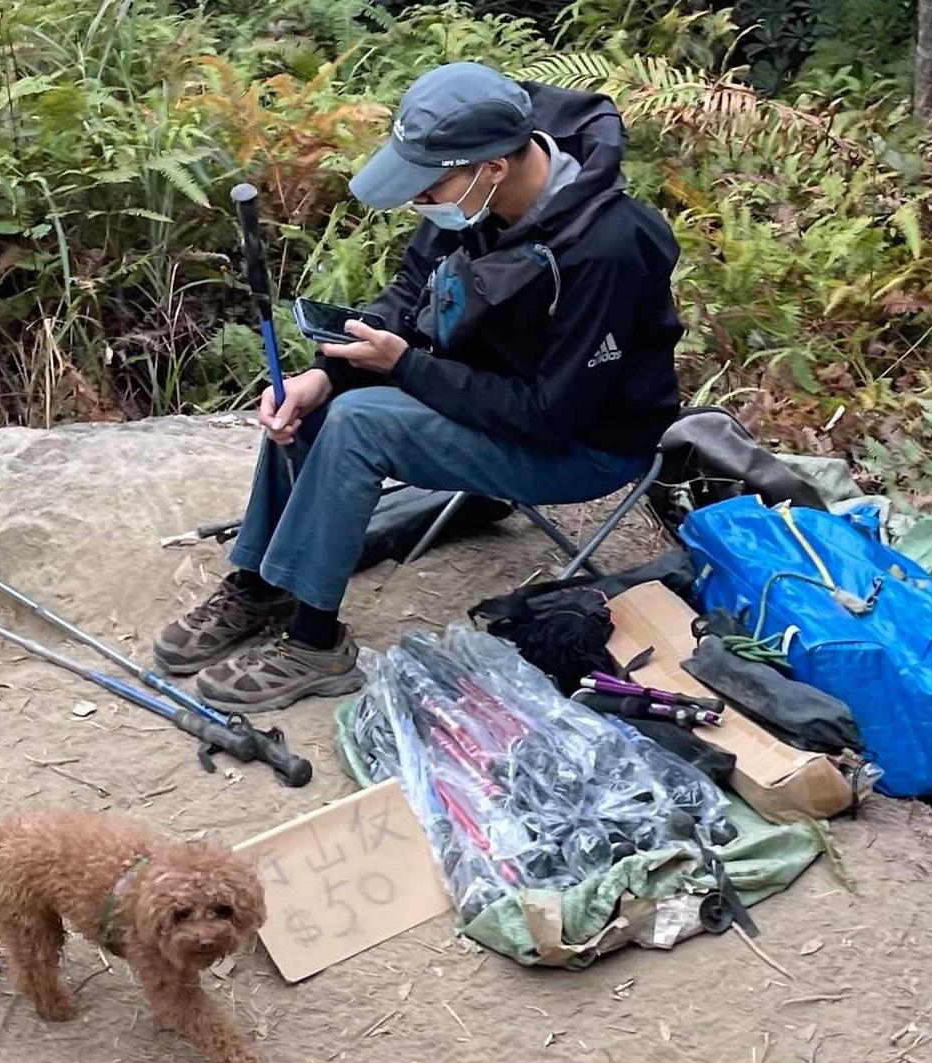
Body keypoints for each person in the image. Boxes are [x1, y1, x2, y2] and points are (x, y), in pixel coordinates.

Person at [155, 61, 683, 712]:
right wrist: (326, 374)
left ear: (493, 167)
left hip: (584, 444)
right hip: (492, 398)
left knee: (361, 422)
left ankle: (316, 645)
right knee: (323, 404)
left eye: (429, 186)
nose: (418, 201)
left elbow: (554, 414)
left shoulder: (605, 249)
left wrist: (405, 366)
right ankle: (262, 581)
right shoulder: (467, 198)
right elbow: (410, 294)